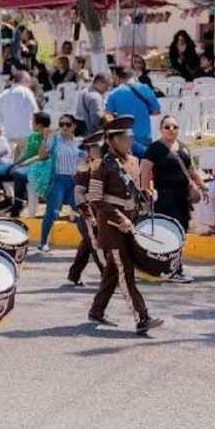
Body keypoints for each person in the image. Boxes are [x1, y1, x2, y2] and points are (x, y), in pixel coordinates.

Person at [84, 116, 162, 334]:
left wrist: (149, 194)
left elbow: (137, 191)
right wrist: (120, 218)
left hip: (132, 224)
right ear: (112, 140)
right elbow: (95, 199)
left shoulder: (134, 161)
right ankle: (142, 317)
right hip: (113, 227)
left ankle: (96, 310)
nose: (129, 140)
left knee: (113, 270)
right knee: (125, 273)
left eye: (130, 136)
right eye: (125, 137)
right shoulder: (101, 165)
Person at [139, 114, 206, 283]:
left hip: (181, 197)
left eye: (175, 127)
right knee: (169, 232)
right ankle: (172, 269)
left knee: (181, 231)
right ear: (161, 129)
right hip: (164, 196)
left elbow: (190, 169)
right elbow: (145, 170)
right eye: (167, 127)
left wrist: (201, 185)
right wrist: (145, 191)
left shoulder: (183, 147)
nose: (171, 130)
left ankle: (172, 267)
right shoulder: (155, 148)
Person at [66, 131, 107, 286]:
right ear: (88, 150)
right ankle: (106, 276)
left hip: (100, 211)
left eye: (99, 146)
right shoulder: (84, 167)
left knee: (88, 244)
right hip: (87, 212)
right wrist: (88, 216)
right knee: (97, 245)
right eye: (93, 147)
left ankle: (74, 274)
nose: (97, 149)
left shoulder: (104, 164)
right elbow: (79, 193)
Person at [38, 114, 82, 252]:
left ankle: (88, 241)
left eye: (67, 124)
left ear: (74, 126)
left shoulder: (79, 142)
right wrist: (45, 139)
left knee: (81, 211)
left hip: (74, 180)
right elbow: (42, 156)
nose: (64, 127)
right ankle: (43, 242)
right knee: (52, 212)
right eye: (61, 124)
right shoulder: (55, 141)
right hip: (58, 179)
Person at [104, 66, 160, 157]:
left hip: (125, 139)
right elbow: (156, 111)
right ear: (132, 76)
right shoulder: (145, 88)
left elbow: (107, 116)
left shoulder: (114, 93)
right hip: (144, 136)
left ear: (118, 78)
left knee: (128, 167)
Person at [0, 71, 40, 157]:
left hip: (7, 134)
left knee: (10, 164)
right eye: (28, 81)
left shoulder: (3, 94)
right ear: (23, 80)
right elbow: (36, 112)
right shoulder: (26, 92)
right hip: (25, 134)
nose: (29, 84)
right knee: (24, 164)